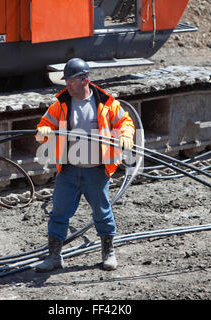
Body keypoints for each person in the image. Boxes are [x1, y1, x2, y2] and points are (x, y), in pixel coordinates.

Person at [35, 58, 135, 272]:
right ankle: (54, 257)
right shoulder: (60, 103)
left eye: (71, 81)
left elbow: (125, 122)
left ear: (84, 80)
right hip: (68, 170)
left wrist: (126, 136)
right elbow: (44, 125)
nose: (67, 86)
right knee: (59, 213)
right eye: (66, 82)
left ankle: (108, 253)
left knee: (102, 212)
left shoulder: (106, 103)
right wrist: (43, 133)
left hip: (96, 172)